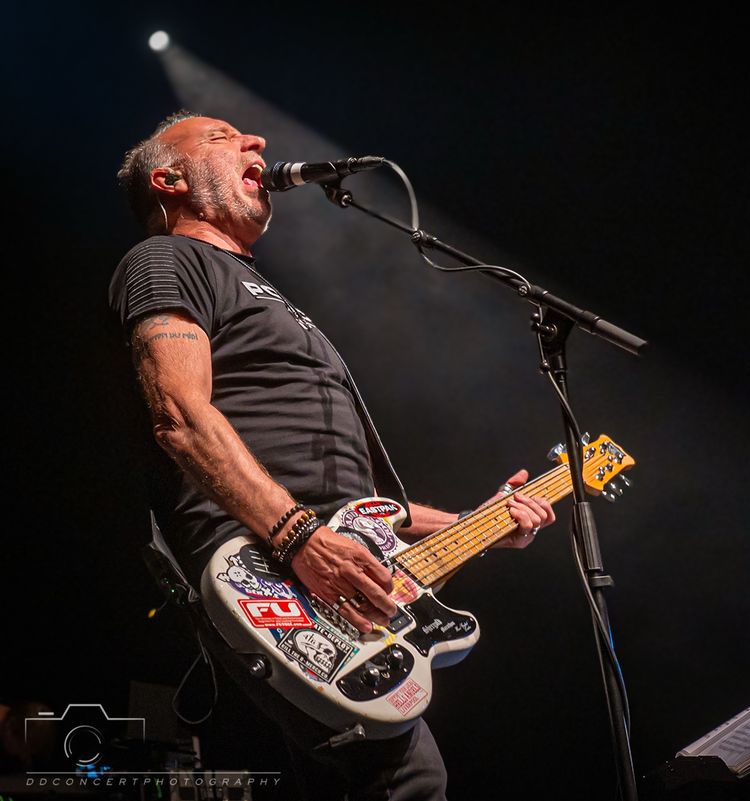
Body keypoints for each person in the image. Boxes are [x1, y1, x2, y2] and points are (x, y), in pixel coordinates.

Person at [108, 110, 556, 800]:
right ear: (169, 179)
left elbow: (364, 511)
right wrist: (296, 536)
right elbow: (178, 414)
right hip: (262, 561)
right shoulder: (166, 259)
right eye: (225, 139)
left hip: (318, 560)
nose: (257, 142)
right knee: (402, 777)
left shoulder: (267, 295)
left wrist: (482, 519)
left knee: (373, 779)